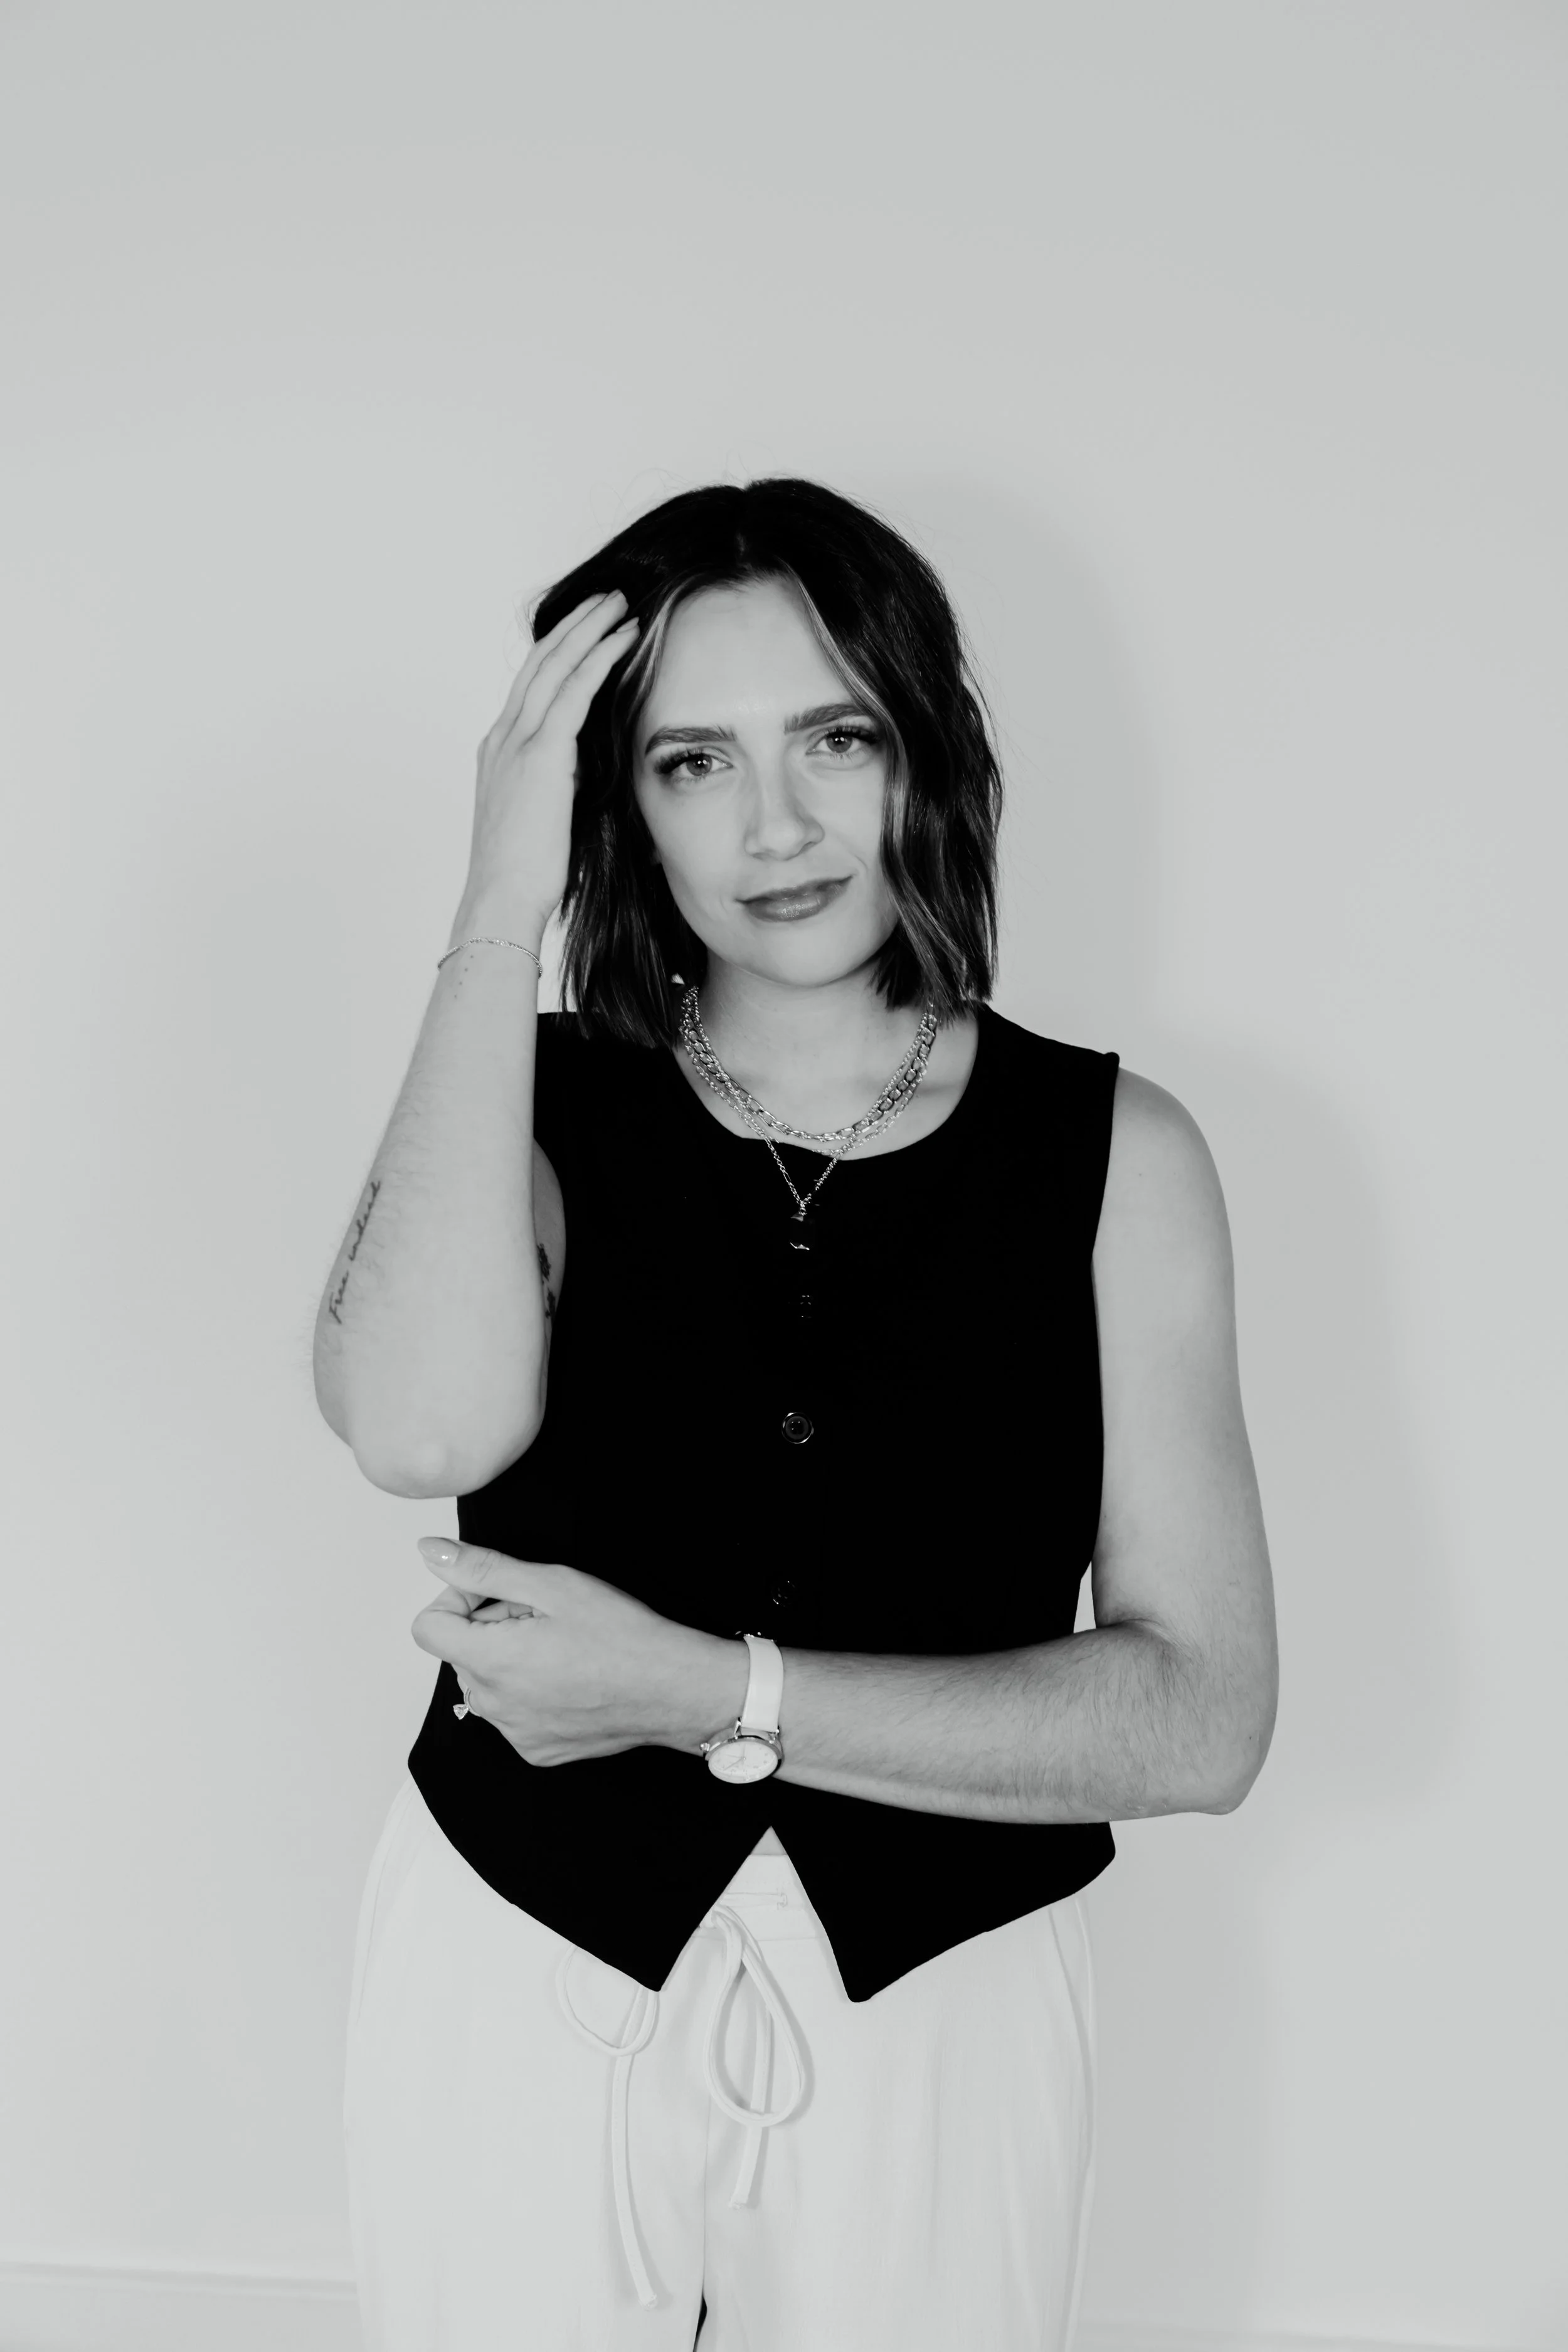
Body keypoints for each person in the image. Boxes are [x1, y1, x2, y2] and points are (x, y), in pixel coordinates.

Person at [312, 477, 1277, 2352]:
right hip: (520, 1946)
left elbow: (1200, 1715)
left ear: (921, 752)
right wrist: (496, 905)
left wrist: (707, 1691)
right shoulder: (532, 1110)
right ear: (619, 806)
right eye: (688, 761)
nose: (773, 823)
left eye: (832, 735)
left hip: (949, 1989)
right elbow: (417, 1428)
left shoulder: (1116, 1157)